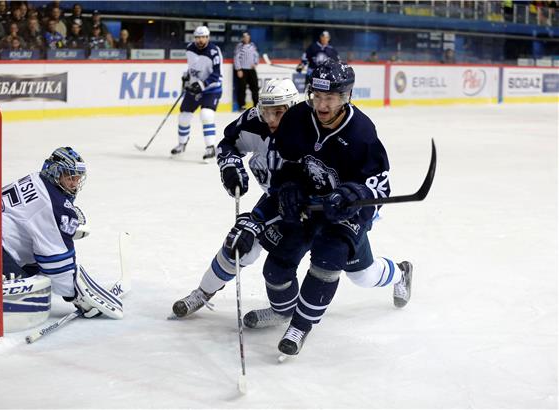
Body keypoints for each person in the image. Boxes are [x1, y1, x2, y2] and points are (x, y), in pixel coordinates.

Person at [222, 60, 412, 356]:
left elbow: (379, 189)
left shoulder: (362, 134)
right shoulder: (298, 118)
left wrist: (353, 194)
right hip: (306, 207)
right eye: (317, 96)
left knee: (352, 271)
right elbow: (286, 165)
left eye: (330, 98)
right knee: (277, 266)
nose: (321, 105)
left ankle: (399, 273)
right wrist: (288, 187)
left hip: (345, 215)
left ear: (346, 96)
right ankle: (285, 313)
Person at [171, 79, 299, 318]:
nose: (270, 120)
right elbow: (229, 144)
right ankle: (203, 292)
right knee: (240, 245)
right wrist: (229, 166)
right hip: (275, 200)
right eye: (266, 111)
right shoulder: (255, 121)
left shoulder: (308, 129)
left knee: (358, 268)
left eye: (278, 112)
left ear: (292, 107)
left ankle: (393, 274)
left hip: (312, 206)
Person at [0, 147, 122, 319]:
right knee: (29, 297)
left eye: (77, 178)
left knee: (37, 275)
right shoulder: (55, 204)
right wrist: (76, 295)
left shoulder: (36, 178)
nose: (75, 184)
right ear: (55, 173)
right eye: (70, 177)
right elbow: (57, 264)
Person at [171, 26, 223, 161]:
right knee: (183, 116)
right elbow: (191, 67)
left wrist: (201, 85)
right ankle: (182, 144)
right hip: (194, 88)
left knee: (206, 115)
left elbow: (217, 74)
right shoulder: (189, 48)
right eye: (198, 37)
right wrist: (186, 77)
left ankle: (210, 148)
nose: (200, 40)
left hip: (211, 89)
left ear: (208, 37)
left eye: (203, 37)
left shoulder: (214, 51)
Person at [233, 31, 260, 111]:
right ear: (242, 38)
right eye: (244, 37)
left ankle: (256, 105)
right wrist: (238, 69)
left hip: (251, 70)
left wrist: (255, 63)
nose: (246, 38)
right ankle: (242, 105)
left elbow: (256, 55)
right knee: (242, 88)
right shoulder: (239, 46)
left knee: (255, 88)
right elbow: (236, 58)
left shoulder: (252, 45)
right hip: (242, 70)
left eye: (247, 37)